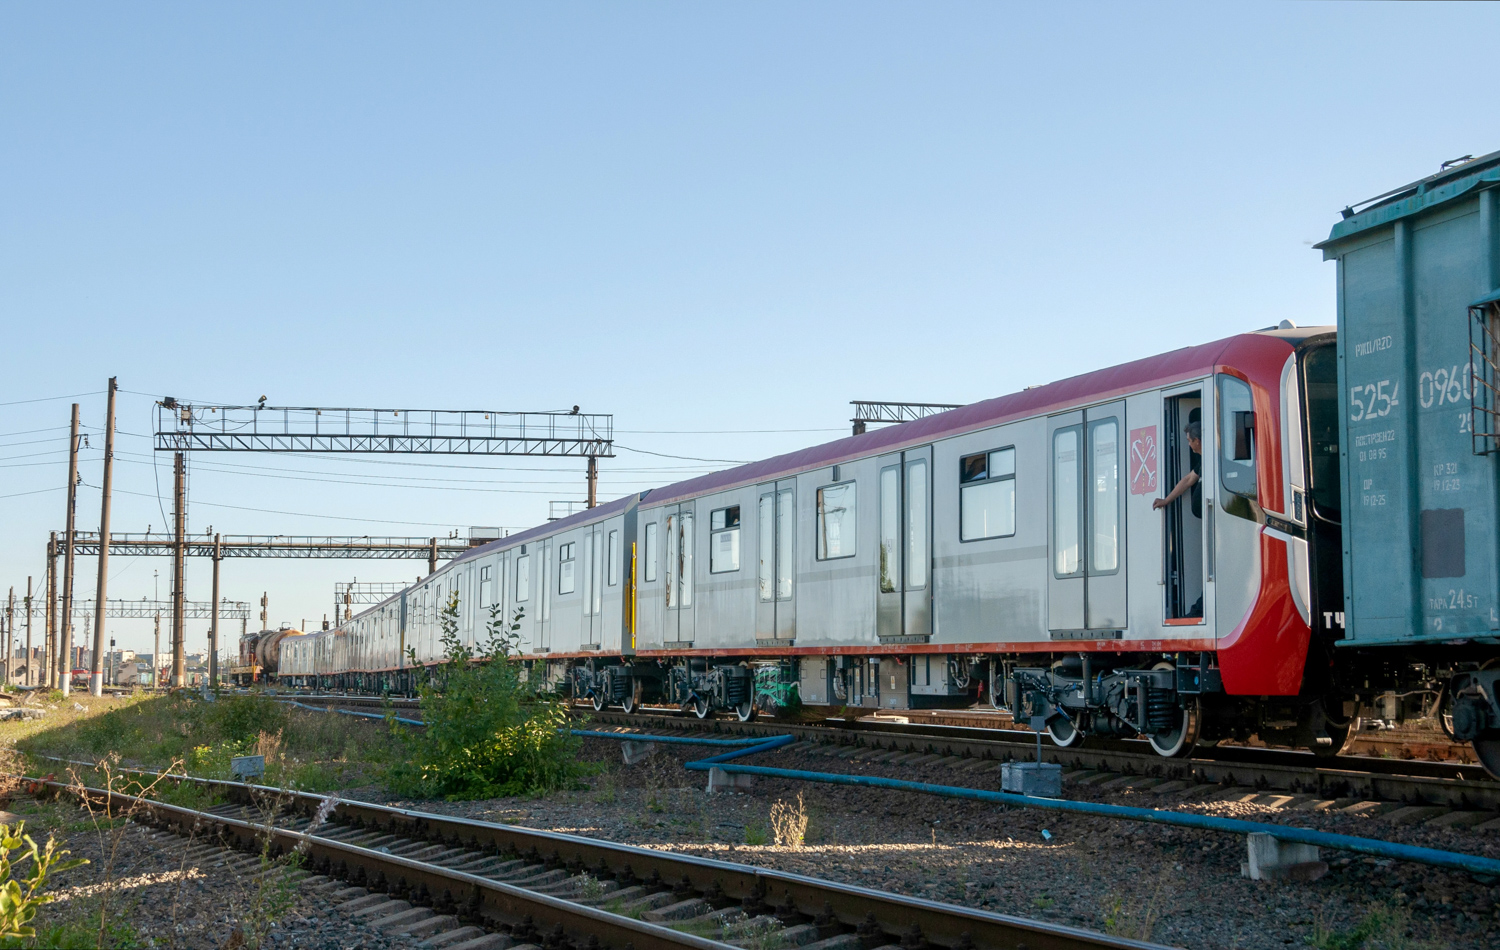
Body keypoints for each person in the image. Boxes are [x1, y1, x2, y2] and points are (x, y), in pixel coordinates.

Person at [1153, 421, 1202, 513]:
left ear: (1196, 441)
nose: (1189, 444)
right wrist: (1166, 500)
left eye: (1189, 441)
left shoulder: (1212, 461)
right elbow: (1188, 480)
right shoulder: (1203, 463)